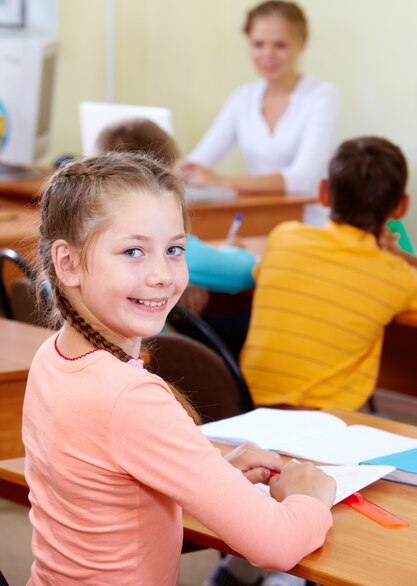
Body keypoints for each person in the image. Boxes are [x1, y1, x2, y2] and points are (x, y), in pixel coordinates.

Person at [22, 153, 335, 584]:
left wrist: (215, 472)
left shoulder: (53, 356)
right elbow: (277, 545)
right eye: (133, 251)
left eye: (174, 249)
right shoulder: (130, 399)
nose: (162, 276)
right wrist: (311, 497)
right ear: (68, 263)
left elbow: (112, 499)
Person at [240, 136, 417, 410]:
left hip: (249, 407)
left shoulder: (284, 236)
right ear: (401, 207)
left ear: (323, 193)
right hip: (326, 423)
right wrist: (403, 258)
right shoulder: (397, 277)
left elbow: (259, 273)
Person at [176, 0, 340, 226]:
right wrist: (176, 172)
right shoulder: (243, 99)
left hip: (310, 224)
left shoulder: (321, 96)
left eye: (280, 45)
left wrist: (220, 181)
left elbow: (301, 179)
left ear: (301, 43)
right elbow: (199, 162)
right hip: (259, 220)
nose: (268, 55)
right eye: (258, 44)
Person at [96, 117, 257, 298]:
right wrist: (231, 250)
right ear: (165, 175)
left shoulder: (92, 229)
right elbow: (246, 272)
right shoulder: (161, 239)